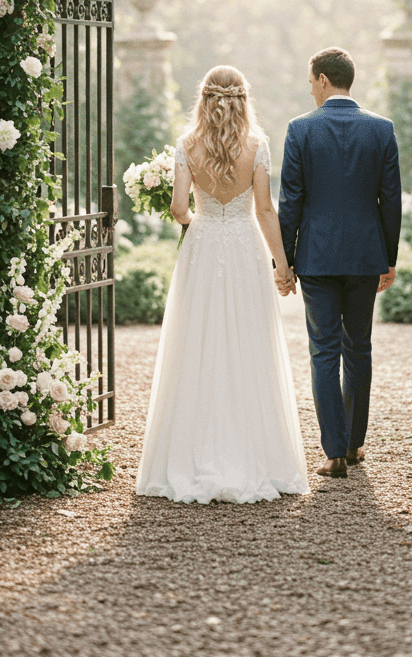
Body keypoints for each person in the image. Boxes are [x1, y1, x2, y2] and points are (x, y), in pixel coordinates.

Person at [135, 64, 309, 504]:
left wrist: (200, 221)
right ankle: (255, 455)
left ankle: (193, 454)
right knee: (249, 343)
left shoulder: (187, 145)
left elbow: (178, 208)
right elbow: (267, 212)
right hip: (246, 246)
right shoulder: (258, 145)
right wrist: (283, 266)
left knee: (197, 342)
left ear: (205, 99)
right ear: (243, 99)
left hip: (204, 245)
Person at [278, 47, 401, 478]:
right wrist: (389, 258)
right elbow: (391, 202)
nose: (309, 88)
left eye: (311, 80)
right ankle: (353, 444)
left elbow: (291, 200)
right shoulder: (382, 129)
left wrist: (286, 261)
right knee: (359, 347)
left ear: (325, 80)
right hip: (366, 255)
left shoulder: (300, 130)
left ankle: (333, 453)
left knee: (324, 352)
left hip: (317, 256)